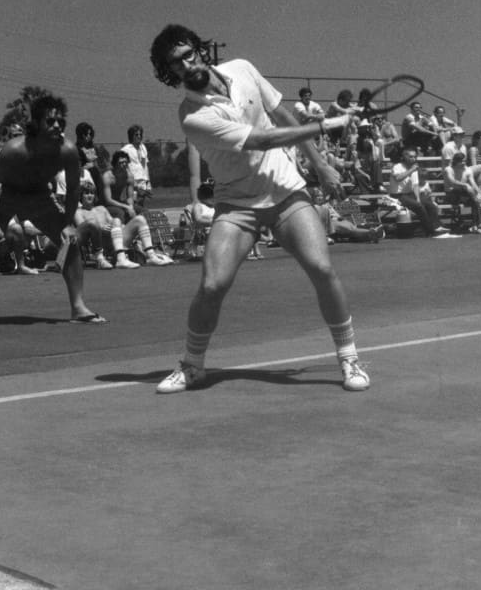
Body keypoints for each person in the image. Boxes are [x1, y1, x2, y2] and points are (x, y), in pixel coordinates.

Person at [149, 23, 370, 393]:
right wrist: (328, 124)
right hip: (237, 204)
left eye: (189, 55)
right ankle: (192, 366)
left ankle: (349, 358)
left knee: (321, 268)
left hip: (284, 190)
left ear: (200, 51)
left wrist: (320, 165)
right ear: (169, 72)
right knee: (212, 285)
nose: (186, 65)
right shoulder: (192, 116)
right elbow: (264, 140)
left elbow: (281, 115)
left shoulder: (243, 69)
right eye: (176, 63)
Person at [0, 94, 106, 332]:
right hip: (9, 196)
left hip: (41, 198)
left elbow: (74, 189)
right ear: (36, 124)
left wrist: (68, 223)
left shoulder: (67, 151)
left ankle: (78, 307)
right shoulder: (14, 149)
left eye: (60, 122)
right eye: (50, 121)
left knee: (70, 242)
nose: (56, 126)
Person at [388, 147, 453, 238]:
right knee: (419, 206)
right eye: (411, 157)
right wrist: (411, 170)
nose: (413, 159)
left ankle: (437, 227)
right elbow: (398, 178)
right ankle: (430, 230)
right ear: (404, 157)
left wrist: (418, 198)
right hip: (397, 195)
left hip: (409, 194)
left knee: (430, 204)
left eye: (415, 157)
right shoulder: (397, 167)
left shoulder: (414, 168)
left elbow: (415, 185)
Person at [311, 188, 384, 244]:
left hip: (338, 221)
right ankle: (371, 232)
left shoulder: (326, 205)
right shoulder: (313, 207)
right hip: (331, 224)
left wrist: (341, 218)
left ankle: (372, 233)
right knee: (351, 229)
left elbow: (336, 214)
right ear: (313, 198)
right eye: (317, 196)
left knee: (353, 226)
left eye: (321, 196)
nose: (320, 198)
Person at [442, 152, 481, 233]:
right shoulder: (449, 169)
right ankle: (478, 224)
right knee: (469, 194)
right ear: (456, 161)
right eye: (461, 161)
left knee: (475, 201)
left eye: (465, 161)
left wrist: (478, 193)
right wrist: (465, 184)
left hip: (463, 193)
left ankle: (476, 225)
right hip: (451, 193)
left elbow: (473, 183)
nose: (464, 163)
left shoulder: (467, 170)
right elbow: (452, 182)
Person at [121, 124, 151, 204]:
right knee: (133, 204)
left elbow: (144, 167)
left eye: (140, 134)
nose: (139, 136)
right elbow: (124, 169)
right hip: (133, 184)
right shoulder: (126, 150)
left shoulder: (143, 148)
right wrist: (134, 185)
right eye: (136, 135)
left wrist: (148, 185)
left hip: (143, 183)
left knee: (141, 205)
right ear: (131, 136)